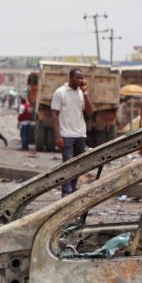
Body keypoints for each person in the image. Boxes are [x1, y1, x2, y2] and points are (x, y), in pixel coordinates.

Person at [51, 68, 93, 196]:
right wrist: (58, 136)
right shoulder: (60, 93)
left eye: (82, 78)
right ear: (70, 77)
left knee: (78, 165)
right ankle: (66, 192)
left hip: (80, 134)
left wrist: (85, 93)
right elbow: (53, 115)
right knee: (68, 165)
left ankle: (73, 190)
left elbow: (90, 112)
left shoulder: (81, 93)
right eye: (78, 78)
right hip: (66, 135)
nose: (81, 80)